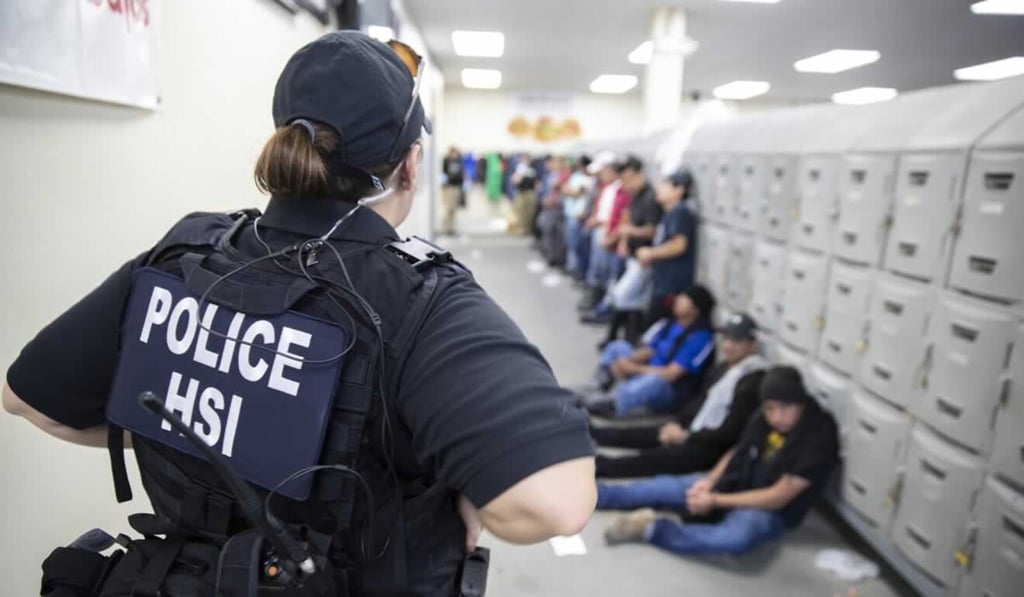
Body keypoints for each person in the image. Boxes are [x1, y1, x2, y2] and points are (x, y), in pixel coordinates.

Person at [2, 31, 596, 596]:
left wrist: (204, 430)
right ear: (412, 164)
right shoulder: (421, 297)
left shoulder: (191, 250)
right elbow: (554, 502)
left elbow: (28, 400)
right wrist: (465, 487)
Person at [597, 366, 840, 558]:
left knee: (735, 538)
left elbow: (778, 496)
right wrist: (711, 480)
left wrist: (715, 500)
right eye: (770, 409)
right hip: (736, 482)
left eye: (786, 408)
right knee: (660, 487)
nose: (777, 417)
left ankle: (651, 529)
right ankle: (592, 495)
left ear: (801, 402)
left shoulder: (819, 435)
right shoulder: (764, 417)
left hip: (767, 509)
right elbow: (739, 450)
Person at [591, 313, 767, 478]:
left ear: (751, 345)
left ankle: (600, 466)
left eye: (736, 340)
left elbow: (729, 431)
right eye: (726, 338)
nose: (728, 345)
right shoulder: (724, 368)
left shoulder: (752, 379)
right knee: (647, 434)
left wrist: (686, 437)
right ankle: (593, 434)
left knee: (654, 459)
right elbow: (700, 403)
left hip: (711, 448)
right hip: (693, 431)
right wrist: (677, 424)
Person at [584, 285, 716, 417]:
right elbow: (650, 349)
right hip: (649, 370)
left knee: (653, 382)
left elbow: (671, 374)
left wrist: (634, 368)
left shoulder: (700, 338)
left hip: (670, 388)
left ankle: (615, 404)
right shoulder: (669, 324)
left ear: (696, 310)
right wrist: (626, 361)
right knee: (618, 347)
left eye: (685, 299)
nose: (678, 300)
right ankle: (599, 386)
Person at [595, 156, 662, 343]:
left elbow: (651, 230)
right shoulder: (635, 196)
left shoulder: (650, 197)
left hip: (644, 258)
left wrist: (628, 231)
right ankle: (625, 338)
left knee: (622, 296)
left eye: (627, 178)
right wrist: (623, 240)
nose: (625, 184)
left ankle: (618, 337)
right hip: (631, 254)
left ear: (637, 174)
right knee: (631, 299)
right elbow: (628, 217)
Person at [638, 169, 698, 327]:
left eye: (665, 185)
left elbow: (679, 244)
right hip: (663, 281)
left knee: (656, 326)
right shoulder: (670, 212)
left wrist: (651, 253)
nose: (659, 188)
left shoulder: (680, 212)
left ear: (679, 190)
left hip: (671, 285)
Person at [579, 151, 629, 313]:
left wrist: (611, 236)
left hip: (610, 235)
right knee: (599, 269)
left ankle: (605, 307)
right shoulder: (606, 188)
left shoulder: (620, 190)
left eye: (603, 171)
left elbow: (620, 216)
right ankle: (597, 301)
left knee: (609, 273)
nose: (600, 176)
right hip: (603, 232)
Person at [441, 146, 465, 236]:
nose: (455, 155)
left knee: (454, 209)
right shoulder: (447, 161)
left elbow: (461, 175)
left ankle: (451, 228)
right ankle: (446, 228)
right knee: (449, 208)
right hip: (449, 188)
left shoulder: (459, 161)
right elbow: (445, 173)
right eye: (453, 153)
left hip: (457, 187)